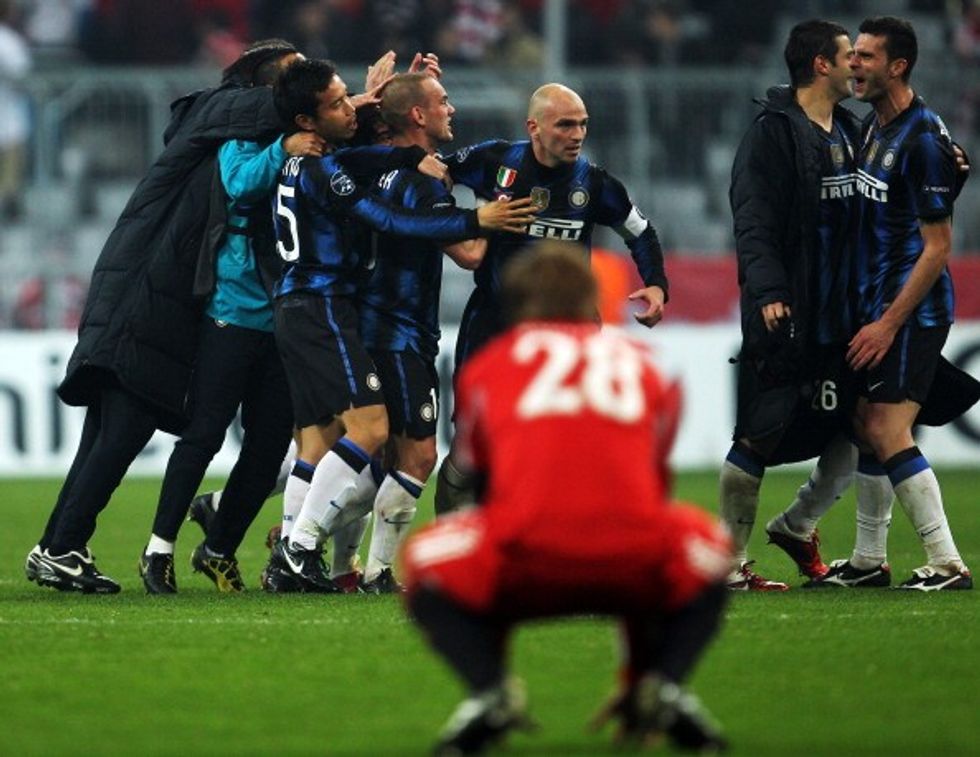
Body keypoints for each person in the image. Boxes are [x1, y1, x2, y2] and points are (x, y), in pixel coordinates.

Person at [401, 241, 731, 755]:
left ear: (517, 303)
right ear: (590, 298)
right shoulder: (646, 366)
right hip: (632, 559)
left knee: (422, 557)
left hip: (526, 560)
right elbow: (651, 487)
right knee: (712, 544)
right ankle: (661, 684)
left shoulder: (491, 366)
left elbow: (478, 480)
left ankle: (490, 692)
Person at [25, 40, 301, 594]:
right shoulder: (215, 112)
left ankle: (58, 546)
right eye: (297, 85)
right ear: (266, 90)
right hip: (144, 300)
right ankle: (61, 546)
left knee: (105, 434)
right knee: (122, 430)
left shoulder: (221, 135)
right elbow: (256, 114)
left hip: (138, 293)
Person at [267, 58, 538, 592]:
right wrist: (483, 213)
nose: (452, 107)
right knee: (397, 449)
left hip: (322, 309)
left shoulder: (334, 161)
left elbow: (366, 149)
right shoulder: (356, 172)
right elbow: (457, 249)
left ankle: (318, 557)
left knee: (326, 441)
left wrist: (383, 107)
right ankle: (313, 553)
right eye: (339, 101)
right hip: (371, 321)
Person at [136, 42, 322, 594]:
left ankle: (217, 548)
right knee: (205, 434)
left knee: (267, 452)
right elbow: (240, 184)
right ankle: (158, 549)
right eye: (294, 77)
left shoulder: (314, 138)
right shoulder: (242, 138)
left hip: (287, 311)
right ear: (269, 91)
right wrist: (284, 147)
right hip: (235, 307)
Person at [434, 82, 670, 515]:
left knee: (565, 436)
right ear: (535, 127)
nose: (577, 134)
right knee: (472, 441)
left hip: (570, 327)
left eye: (582, 124)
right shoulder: (495, 161)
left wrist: (656, 283)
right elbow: (435, 172)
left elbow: (641, 232)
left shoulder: (595, 184)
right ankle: (461, 543)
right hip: (494, 319)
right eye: (565, 124)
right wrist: (458, 221)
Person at [819, 16, 972, 591]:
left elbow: (937, 249)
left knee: (886, 428)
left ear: (898, 66)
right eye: (851, 55)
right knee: (864, 424)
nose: (853, 64)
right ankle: (866, 561)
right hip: (875, 306)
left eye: (865, 56)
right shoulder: (872, 130)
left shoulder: (925, 140)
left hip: (911, 312)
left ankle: (948, 562)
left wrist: (886, 324)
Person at [720, 20, 864, 591]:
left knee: (861, 426)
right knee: (760, 430)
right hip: (786, 311)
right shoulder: (772, 132)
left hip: (842, 314)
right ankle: (727, 564)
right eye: (849, 55)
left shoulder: (850, 130)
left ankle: (799, 524)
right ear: (821, 64)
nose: (858, 65)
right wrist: (770, 292)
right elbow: (752, 219)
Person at [354, 72, 488, 593]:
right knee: (419, 456)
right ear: (417, 115)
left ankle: (298, 534)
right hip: (400, 331)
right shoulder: (419, 181)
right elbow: (471, 253)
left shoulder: (386, 173)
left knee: (365, 451)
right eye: (442, 101)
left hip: (374, 322)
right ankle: (376, 570)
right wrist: (502, 215)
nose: (450, 109)